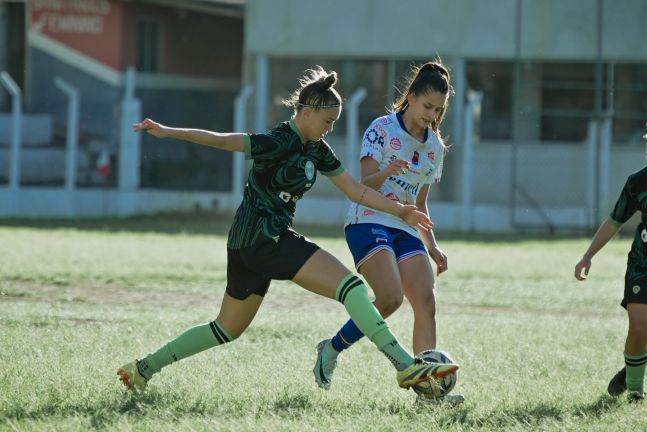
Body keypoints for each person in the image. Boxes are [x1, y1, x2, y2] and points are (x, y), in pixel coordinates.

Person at [117, 66, 458, 395]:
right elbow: (223, 141)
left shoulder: (318, 150)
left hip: (245, 245)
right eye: (327, 122)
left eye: (334, 123)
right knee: (351, 287)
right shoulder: (276, 140)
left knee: (225, 328)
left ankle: (143, 368)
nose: (329, 129)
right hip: (266, 238)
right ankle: (404, 365)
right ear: (307, 112)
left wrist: (402, 211)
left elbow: (357, 191)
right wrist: (169, 131)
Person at [312, 60, 462, 404]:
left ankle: (429, 394)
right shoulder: (382, 129)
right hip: (368, 218)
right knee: (391, 298)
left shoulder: (435, 147)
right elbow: (364, 183)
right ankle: (331, 348)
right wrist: (388, 171)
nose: (431, 115)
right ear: (410, 97)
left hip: (405, 227)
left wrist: (434, 248)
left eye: (438, 110)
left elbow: (420, 204)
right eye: (427, 106)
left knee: (426, 301)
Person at [574, 129, 647, 403]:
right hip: (643, 264)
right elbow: (615, 221)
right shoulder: (638, 183)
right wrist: (588, 255)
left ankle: (634, 365)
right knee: (640, 327)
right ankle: (637, 391)